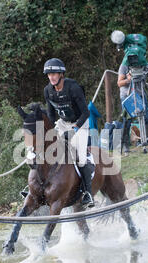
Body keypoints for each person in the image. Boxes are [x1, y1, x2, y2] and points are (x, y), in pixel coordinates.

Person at [43, 58, 95, 208]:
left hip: (80, 123)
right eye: (49, 74)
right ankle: (38, 188)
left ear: (61, 74)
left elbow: (86, 113)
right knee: (46, 150)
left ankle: (88, 193)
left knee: (81, 159)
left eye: (54, 74)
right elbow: (51, 115)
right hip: (63, 123)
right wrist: (49, 131)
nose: (51, 77)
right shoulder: (48, 90)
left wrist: (74, 130)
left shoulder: (73, 88)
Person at [117, 62, 148, 151]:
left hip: (140, 94)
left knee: (147, 117)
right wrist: (128, 79)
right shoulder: (125, 65)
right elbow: (119, 83)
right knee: (127, 120)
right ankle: (125, 145)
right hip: (127, 95)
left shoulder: (147, 65)